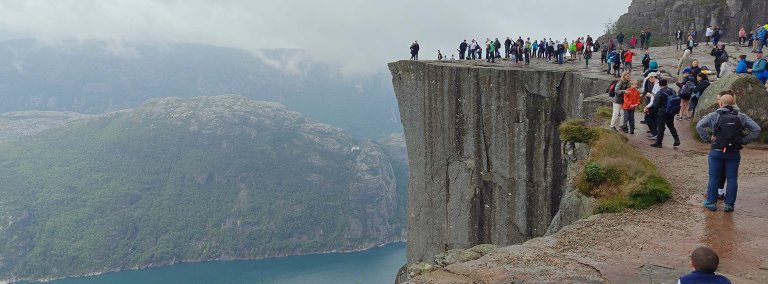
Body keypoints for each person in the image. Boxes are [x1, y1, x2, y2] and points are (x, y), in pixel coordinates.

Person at [697, 93, 761, 212]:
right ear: (733, 103)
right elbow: (756, 129)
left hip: (716, 150)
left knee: (714, 177)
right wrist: (743, 140)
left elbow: (699, 126)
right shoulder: (741, 116)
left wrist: (707, 138)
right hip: (734, 151)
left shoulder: (713, 115)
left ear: (720, 103)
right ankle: (729, 205)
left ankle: (711, 203)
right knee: (732, 178)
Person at [649, 79, 681, 148]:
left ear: (659, 84)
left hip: (662, 112)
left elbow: (656, 104)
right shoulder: (672, 90)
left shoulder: (660, 92)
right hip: (671, 111)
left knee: (661, 127)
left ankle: (659, 143)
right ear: (666, 83)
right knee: (671, 126)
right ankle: (677, 139)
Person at [642, 72, 660, 138]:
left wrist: (647, 106)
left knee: (648, 118)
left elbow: (654, 98)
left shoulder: (657, 85)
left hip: (655, 105)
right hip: (657, 105)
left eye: (649, 78)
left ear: (653, 77)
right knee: (654, 119)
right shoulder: (657, 84)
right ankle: (655, 133)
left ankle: (654, 133)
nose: (649, 80)